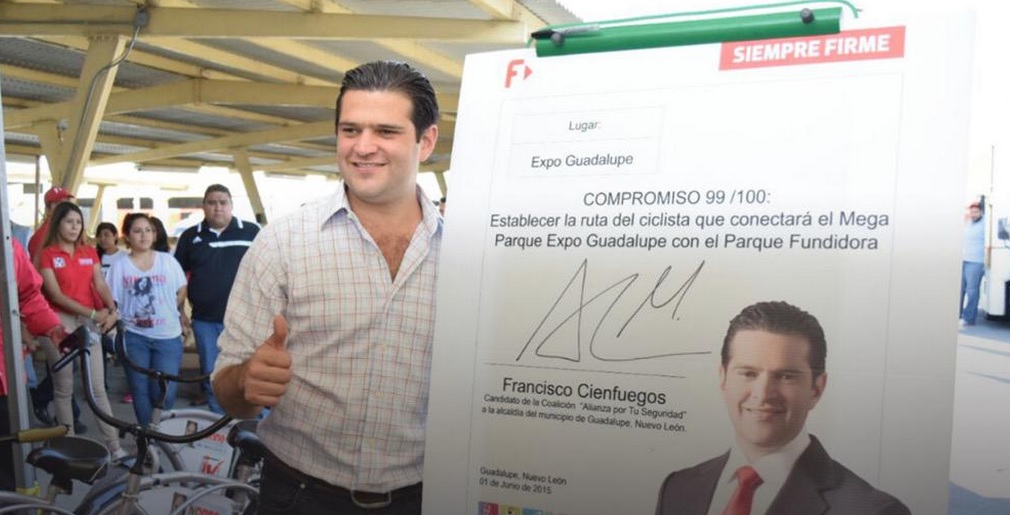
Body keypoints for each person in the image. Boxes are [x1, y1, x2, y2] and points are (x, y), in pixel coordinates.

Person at [212, 60, 442, 514]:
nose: (363, 147)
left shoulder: (467, 255)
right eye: (350, 130)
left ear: (426, 141)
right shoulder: (282, 242)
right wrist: (246, 380)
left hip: (424, 497)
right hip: (298, 496)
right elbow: (228, 394)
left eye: (386, 131)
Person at [655, 301, 909, 515]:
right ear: (723, 378)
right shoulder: (678, 488)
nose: (763, 393)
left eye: (786, 376)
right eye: (748, 373)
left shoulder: (872, 510)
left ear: (816, 389)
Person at [36, 201, 128, 460]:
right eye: (69, 221)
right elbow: (55, 295)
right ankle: (69, 446)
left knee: (97, 387)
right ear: (58, 224)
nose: (75, 227)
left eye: (78, 222)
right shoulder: (48, 254)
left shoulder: (89, 252)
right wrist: (93, 314)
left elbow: (100, 283)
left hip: (87, 320)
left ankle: (114, 446)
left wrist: (112, 309)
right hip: (58, 320)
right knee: (63, 387)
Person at [174, 185, 259, 414]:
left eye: (223, 202)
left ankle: (251, 423)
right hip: (205, 321)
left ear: (231, 205)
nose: (217, 207)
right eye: (212, 202)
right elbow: (177, 279)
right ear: (204, 206)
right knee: (212, 374)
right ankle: (217, 425)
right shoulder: (190, 237)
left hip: (244, 320)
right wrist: (180, 312)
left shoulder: (251, 232)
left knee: (248, 372)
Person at [106, 213, 188, 427]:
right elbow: (112, 301)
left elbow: (182, 289)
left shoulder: (168, 261)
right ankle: (147, 438)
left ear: (154, 234)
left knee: (165, 392)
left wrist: (170, 308)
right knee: (139, 389)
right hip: (134, 337)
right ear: (127, 236)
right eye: (137, 231)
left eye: (148, 230)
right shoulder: (119, 267)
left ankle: (161, 431)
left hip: (167, 337)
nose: (144, 235)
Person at [0, 238, 67, 490]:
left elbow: (28, 295)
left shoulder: (7, 245)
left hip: (5, 378)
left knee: (14, 466)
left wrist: (52, 327)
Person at [960, 200, 985, 327]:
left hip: (976, 261)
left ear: (981, 212)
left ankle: (969, 318)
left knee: (972, 291)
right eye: (972, 212)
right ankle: (957, 315)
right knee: (959, 290)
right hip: (963, 260)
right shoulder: (968, 223)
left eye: (976, 212)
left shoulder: (985, 224)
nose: (974, 214)